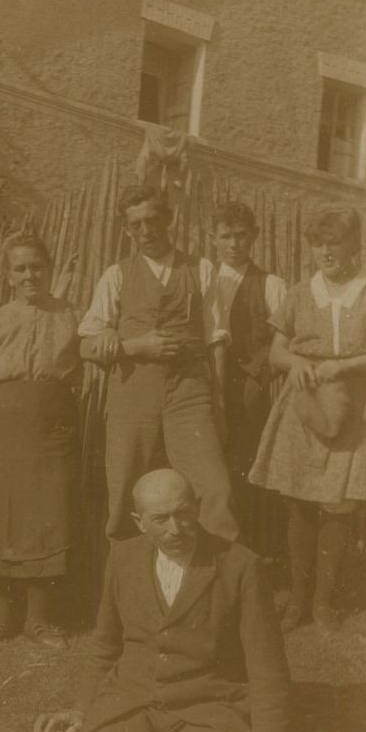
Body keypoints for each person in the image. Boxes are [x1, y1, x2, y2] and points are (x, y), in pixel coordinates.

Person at [35, 469, 298, 732]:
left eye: (183, 513)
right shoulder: (123, 559)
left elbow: (267, 670)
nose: (175, 529)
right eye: (160, 519)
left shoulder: (240, 566)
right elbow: (106, 646)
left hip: (207, 713)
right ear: (139, 522)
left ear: (199, 507)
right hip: (132, 705)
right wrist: (83, 708)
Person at [79, 185, 239, 545]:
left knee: (214, 490)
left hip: (189, 392)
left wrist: (219, 398)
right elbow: (86, 346)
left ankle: (216, 584)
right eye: (136, 225)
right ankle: (125, 584)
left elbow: (216, 338)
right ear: (126, 230)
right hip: (133, 394)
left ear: (169, 220)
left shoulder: (201, 269)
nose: (146, 231)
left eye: (153, 220)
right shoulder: (116, 275)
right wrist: (133, 346)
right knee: (123, 490)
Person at [248, 207, 366, 634]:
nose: (325, 252)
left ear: (355, 245)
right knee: (300, 504)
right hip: (304, 403)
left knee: (338, 506)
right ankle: (297, 602)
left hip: (353, 404)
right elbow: (276, 351)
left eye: (334, 242)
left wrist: (345, 367)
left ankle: (323, 604)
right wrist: (296, 362)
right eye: (319, 244)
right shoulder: (301, 293)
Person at [0, 233, 82, 648]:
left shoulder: (71, 316)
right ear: (8, 276)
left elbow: (81, 374)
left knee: (46, 515)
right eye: (20, 268)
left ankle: (38, 621)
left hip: (51, 427)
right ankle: (3, 618)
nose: (30, 275)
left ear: (49, 269)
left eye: (36, 267)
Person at [205, 200, 288, 553]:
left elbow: (285, 340)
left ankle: (247, 552)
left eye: (241, 236)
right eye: (226, 236)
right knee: (207, 467)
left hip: (248, 390)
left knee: (243, 466)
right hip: (200, 384)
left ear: (253, 236)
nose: (234, 244)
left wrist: (259, 378)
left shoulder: (271, 284)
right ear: (213, 238)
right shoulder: (201, 277)